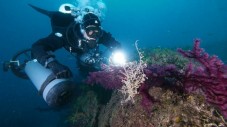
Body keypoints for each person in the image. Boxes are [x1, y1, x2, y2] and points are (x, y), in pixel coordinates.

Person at [30, 4, 121, 79]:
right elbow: (37, 47)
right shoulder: (66, 35)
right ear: (82, 30)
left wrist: (117, 50)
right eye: (90, 31)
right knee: (84, 70)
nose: (95, 36)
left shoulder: (100, 34)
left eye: (97, 31)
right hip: (76, 49)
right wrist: (53, 64)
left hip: (86, 51)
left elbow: (115, 44)